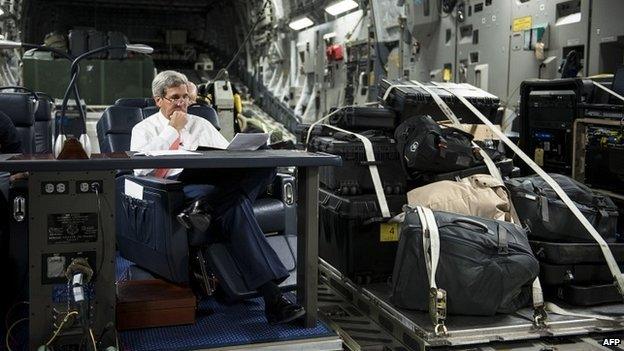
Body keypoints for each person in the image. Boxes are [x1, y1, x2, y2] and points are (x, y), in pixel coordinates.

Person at [130, 70, 305, 325]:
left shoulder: (202, 124)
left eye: (185, 98)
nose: (181, 103)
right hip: (177, 187)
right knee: (234, 204)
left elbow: (228, 158)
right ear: (158, 100)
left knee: (266, 165)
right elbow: (140, 170)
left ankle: (207, 208)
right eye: (174, 98)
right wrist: (172, 130)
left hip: (214, 185)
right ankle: (273, 299)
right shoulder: (143, 129)